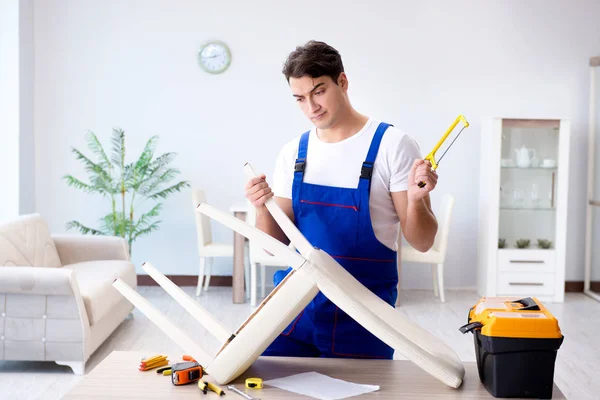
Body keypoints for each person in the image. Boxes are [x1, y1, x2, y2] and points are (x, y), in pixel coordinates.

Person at [244, 40, 438, 359]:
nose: (311, 107)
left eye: (318, 91)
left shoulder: (393, 145)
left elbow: (423, 241)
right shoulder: (293, 153)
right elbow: (271, 244)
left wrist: (417, 202)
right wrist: (261, 207)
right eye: (300, 99)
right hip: (293, 312)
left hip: (363, 320)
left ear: (342, 82)